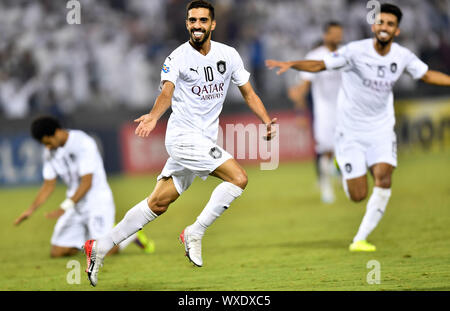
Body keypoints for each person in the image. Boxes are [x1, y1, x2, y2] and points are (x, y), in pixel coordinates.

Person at [83, 0, 276, 287]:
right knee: (238, 178)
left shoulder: (229, 55)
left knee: (159, 203)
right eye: (191, 20)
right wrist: (153, 116)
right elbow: (167, 92)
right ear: (187, 24)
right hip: (183, 138)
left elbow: (248, 92)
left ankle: (99, 246)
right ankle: (195, 232)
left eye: (202, 20)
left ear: (212, 24)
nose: (196, 25)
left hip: (204, 138)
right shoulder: (177, 57)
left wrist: (266, 119)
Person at [266, 3, 450, 252]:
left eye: (390, 24)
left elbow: (426, 75)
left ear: (396, 31)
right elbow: (320, 64)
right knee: (357, 195)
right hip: (350, 132)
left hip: (382, 130)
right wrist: (292, 64)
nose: (384, 27)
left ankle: (360, 238)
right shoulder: (354, 51)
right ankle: (341, 163)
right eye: (381, 23)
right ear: (375, 26)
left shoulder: (402, 55)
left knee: (384, 178)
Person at [14, 115, 155, 257]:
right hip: (75, 204)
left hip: (97, 201)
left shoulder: (82, 143)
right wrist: (31, 209)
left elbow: (87, 183)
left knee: (102, 252)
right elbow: (48, 184)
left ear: (56, 132)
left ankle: (131, 235)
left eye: (48, 142)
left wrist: (65, 207)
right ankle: (94, 241)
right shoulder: (50, 152)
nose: (47, 147)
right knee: (58, 252)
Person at [288, 21, 343, 204]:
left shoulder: (346, 53)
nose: (338, 37)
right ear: (326, 35)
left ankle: (340, 174)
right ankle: (326, 188)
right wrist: (299, 97)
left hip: (346, 109)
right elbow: (305, 83)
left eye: (339, 33)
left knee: (346, 148)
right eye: (334, 34)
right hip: (325, 110)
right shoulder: (315, 56)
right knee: (325, 150)